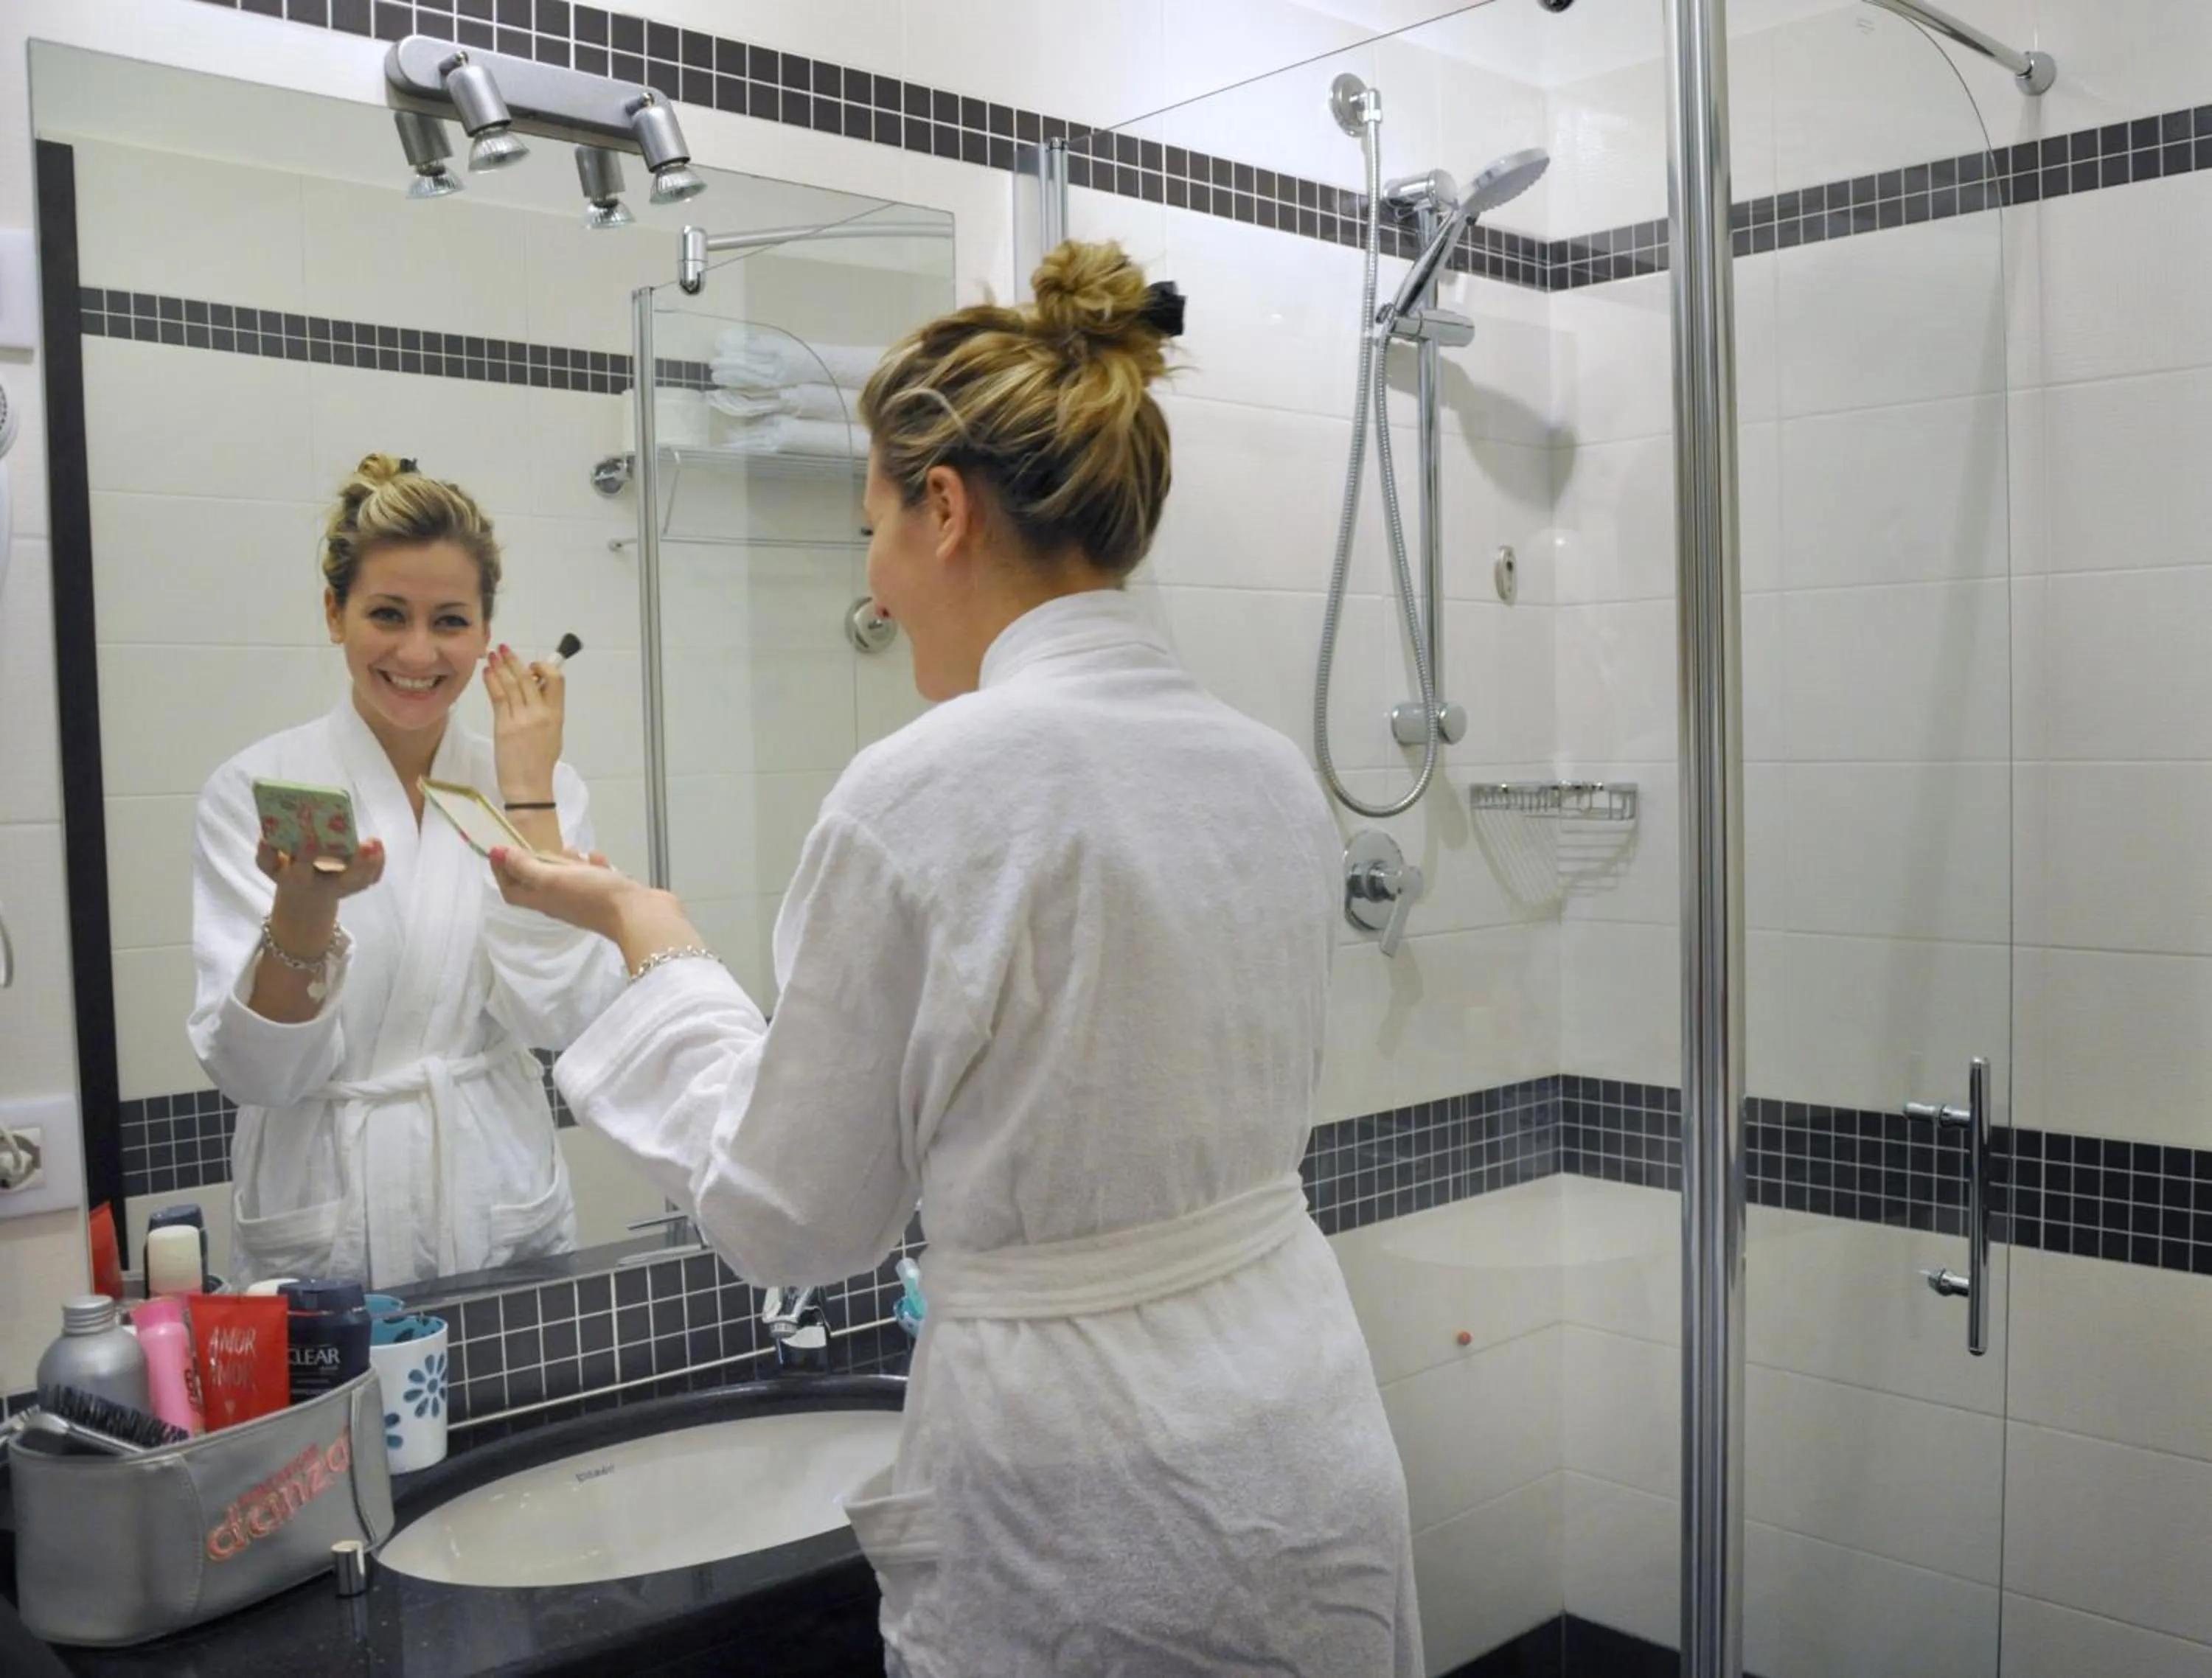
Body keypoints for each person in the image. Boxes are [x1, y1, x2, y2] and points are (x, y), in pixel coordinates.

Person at [493, 243, 1422, 1676]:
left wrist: (653, 940)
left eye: (868, 525)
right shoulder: (1271, 776)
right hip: (1302, 1428)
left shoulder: (921, 791)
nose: (869, 579)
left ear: (942, 508)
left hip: (1094, 1494)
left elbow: (798, 1219)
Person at [189, 454, 625, 1289]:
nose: (418, 652)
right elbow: (259, 1075)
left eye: (450, 621)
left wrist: (529, 793)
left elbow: (560, 1015)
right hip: (326, 1207)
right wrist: (303, 912)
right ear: (335, 613)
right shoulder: (256, 789)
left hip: (493, 1192)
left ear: (485, 629)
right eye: (387, 613)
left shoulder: (540, 785)